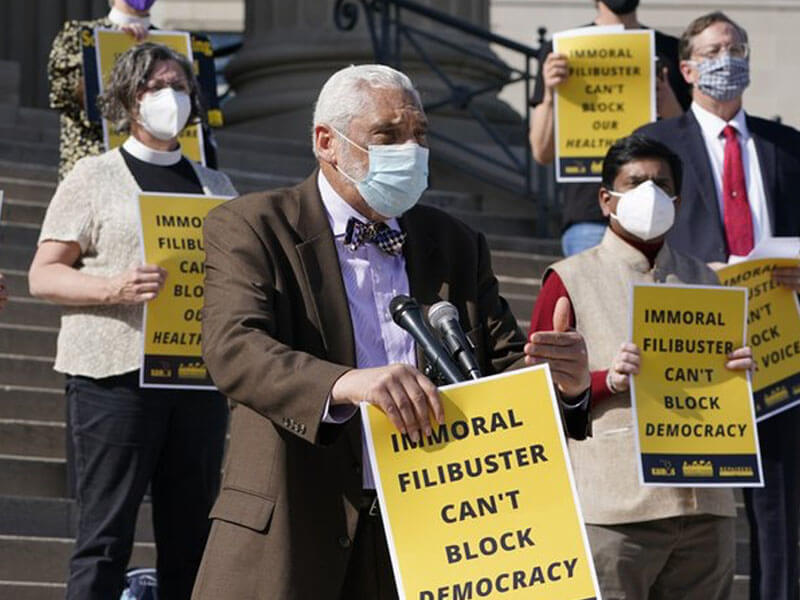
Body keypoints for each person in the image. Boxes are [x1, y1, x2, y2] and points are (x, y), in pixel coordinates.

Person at [190, 64, 592, 600]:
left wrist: (564, 385)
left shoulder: (455, 242)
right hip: (292, 528)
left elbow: (501, 367)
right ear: (327, 143)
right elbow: (235, 349)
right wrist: (345, 383)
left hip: (430, 536)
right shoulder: (254, 226)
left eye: (419, 134)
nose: (411, 150)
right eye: (388, 135)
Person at [28, 43, 236, 600]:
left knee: (191, 539)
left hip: (194, 380)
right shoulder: (92, 177)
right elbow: (43, 275)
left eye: (180, 86)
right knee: (104, 537)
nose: (171, 96)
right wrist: (113, 287)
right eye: (155, 86)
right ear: (128, 99)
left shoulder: (217, 187)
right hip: (112, 379)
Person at [529, 134, 755, 599]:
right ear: (606, 199)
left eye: (661, 184)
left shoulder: (707, 281)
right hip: (616, 508)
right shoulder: (569, 278)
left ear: (676, 202)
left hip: (706, 506)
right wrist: (604, 380)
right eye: (635, 183)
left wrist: (737, 374)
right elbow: (533, 392)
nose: (649, 194)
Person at [637, 12, 800, 599]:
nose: (727, 59)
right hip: (692, 336)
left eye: (735, 48)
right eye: (712, 51)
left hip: (775, 341)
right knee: (689, 502)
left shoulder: (788, 146)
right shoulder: (657, 145)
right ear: (687, 69)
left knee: (779, 505)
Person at [529, 0, 691, 256]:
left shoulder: (671, 51)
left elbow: (691, 143)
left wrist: (667, 101)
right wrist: (550, 95)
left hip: (659, 214)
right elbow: (541, 152)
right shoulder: (562, 50)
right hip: (591, 217)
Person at [48, 0, 220, 181]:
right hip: (96, 165)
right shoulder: (78, 35)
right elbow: (63, 95)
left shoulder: (174, 46)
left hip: (159, 169)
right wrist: (118, 45)